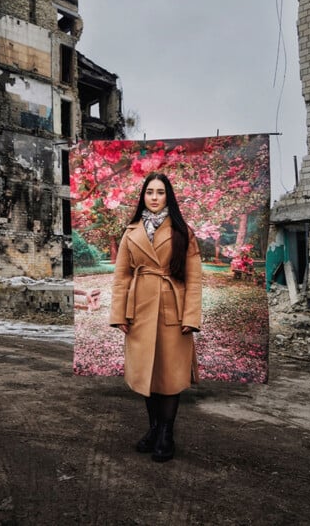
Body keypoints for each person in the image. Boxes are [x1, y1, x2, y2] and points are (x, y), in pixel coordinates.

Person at [109, 172, 202, 462]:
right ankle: (153, 428)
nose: (154, 197)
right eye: (150, 191)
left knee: (170, 375)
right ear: (143, 196)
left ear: (168, 196)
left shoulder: (182, 231)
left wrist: (191, 316)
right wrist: (119, 314)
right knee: (146, 374)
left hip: (173, 309)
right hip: (139, 311)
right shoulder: (131, 231)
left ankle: (166, 433)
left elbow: (194, 278)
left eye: (160, 192)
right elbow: (122, 276)